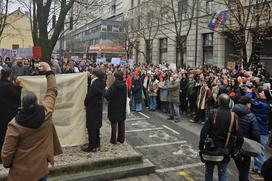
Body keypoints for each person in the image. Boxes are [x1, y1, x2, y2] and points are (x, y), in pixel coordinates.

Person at [1, 62, 63, 181]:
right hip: (40, 170)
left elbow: (7, 154)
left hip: (20, 173)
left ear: (22, 106)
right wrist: (49, 71)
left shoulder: (14, 126)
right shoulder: (46, 112)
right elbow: (52, 91)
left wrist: (7, 164)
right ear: (36, 103)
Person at [199, 94, 243, 181]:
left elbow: (204, 132)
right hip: (225, 149)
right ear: (229, 103)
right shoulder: (234, 116)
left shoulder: (213, 113)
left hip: (211, 148)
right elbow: (240, 136)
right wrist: (237, 149)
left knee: (209, 171)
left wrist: (201, 147)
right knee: (223, 172)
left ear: (219, 102)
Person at [232, 96, 260, 181]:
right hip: (246, 146)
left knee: (240, 166)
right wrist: (256, 142)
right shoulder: (251, 116)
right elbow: (255, 134)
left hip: (234, 144)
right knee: (244, 169)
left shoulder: (232, 112)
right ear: (247, 104)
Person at [0, 66, 22, 163]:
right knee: (7, 133)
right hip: (8, 113)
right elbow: (16, 97)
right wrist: (18, 87)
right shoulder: (9, 86)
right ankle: (7, 154)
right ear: (10, 75)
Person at [251, 87, 271, 180]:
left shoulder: (264, 105)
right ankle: (256, 168)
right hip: (259, 130)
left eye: (262, 93)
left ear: (266, 96)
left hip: (262, 132)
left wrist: (254, 94)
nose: (260, 94)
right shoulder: (260, 102)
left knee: (259, 152)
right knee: (256, 151)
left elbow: (253, 104)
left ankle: (261, 172)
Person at [83, 68, 105, 152]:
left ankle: (92, 146)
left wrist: (85, 103)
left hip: (92, 107)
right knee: (96, 126)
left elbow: (90, 95)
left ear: (94, 74)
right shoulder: (101, 81)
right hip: (98, 107)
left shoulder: (95, 83)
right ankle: (97, 144)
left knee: (91, 127)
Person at [105, 72, 127, 144]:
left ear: (116, 78)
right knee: (121, 123)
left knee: (114, 124)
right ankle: (121, 139)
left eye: (114, 77)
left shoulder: (114, 86)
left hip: (114, 106)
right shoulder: (124, 85)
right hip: (121, 106)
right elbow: (128, 94)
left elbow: (107, 96)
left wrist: (106, 89)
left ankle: (113, 140)